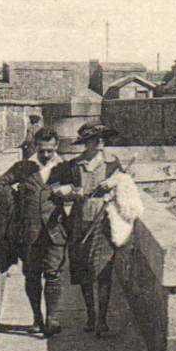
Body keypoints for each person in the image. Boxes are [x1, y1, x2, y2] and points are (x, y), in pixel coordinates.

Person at [0, 127, 76, 336]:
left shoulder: (64, 169)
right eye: (42, 150)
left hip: (56, 231)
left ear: (56, 148)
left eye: (50, 150)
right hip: (29, 233)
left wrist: (69, 192)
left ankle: (51, 318)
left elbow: (80, 191)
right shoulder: (23, 168)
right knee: (33, 275)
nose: (46, 155)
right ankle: (37, 317)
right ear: (36, 147)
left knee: (53, 274)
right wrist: (15, 199)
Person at [56, 121, 127, 337]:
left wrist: (112, 188)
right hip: (79, 222)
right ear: (87, 143)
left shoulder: (113, 164)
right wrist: (71, 192)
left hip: (104, 222)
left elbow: (127, 188)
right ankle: (91, 315)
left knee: (104, 271)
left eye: (103, 137)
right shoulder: (73, 165)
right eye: (97, 138)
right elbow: (59, 187)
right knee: (84, 271)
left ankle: (103, 320)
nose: (102, 141)